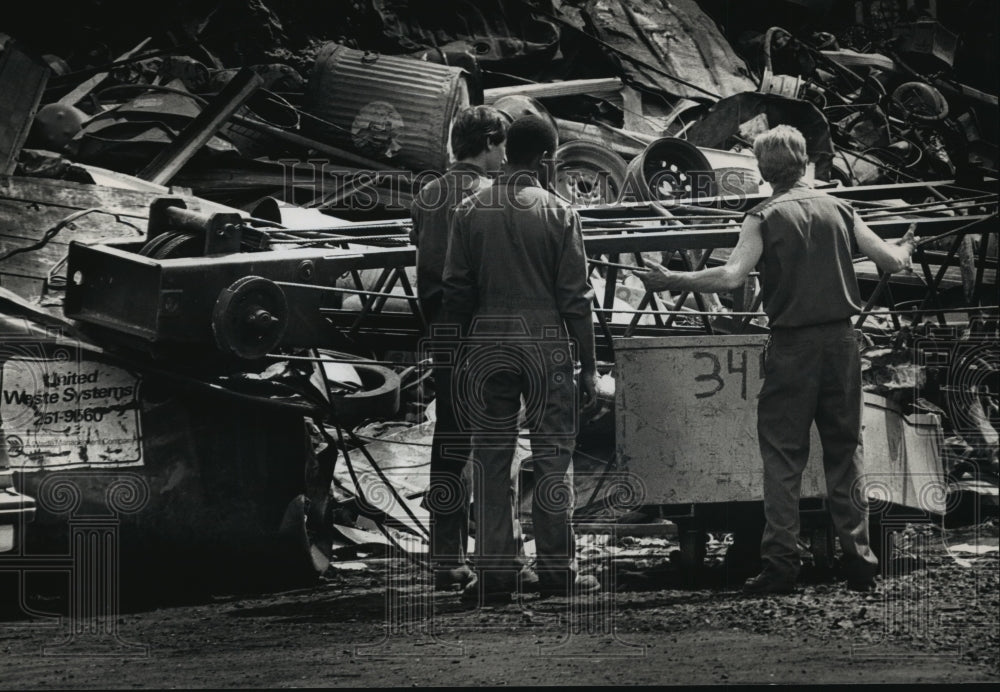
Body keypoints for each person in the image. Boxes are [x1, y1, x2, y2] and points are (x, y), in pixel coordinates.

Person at [632, 124, 917, 595]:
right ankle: (860, 562)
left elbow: (730, 276)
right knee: (846, 454)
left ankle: (780, 565)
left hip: (793, 347)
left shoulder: (762, 216)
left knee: (783, 458)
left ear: (764, 173)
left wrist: (673, 282)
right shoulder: (841, 209)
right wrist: (906, 247)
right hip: (842, 344)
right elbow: (890, 262)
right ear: (806, 163)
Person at [442, 115, 601, 604]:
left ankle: (495, 572)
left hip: (487, 340)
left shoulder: (469, 209)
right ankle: (558, 571)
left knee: (491, 457)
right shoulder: (559, 213)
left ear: (507, 150)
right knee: (554, 455)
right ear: (547, 160)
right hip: (546, 338)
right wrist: (590, 365)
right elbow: (576, 298)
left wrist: (463, 350)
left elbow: (455, 288)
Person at [410, 105, 507, 591]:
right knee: (493, 443)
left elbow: (423, 265)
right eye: (501, 145)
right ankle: (496, 555)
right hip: (481, 332)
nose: (504, 155)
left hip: (443, 332)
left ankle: (446, 555)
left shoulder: (428, 194)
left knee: (449, 441)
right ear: (489, 141)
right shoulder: (487, 195)